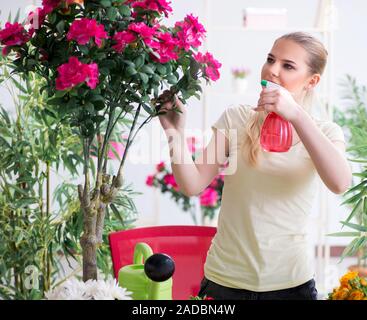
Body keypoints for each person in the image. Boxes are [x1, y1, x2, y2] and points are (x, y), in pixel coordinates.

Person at [157, 32, 352, 300]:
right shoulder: (236, 118)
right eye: (271, 59)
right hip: (224, 282)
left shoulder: (325, 132)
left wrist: (295, 114)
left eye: (288, 66)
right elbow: (192, 184)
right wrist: (174, 134)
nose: (272, 70)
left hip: (290, 285)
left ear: (312, 81)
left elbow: (340, 183)